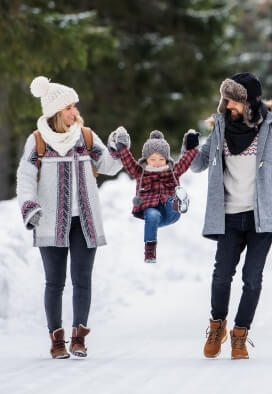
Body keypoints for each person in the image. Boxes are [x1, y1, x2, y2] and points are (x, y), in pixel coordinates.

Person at [190, 72, 272, 359]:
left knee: (252, 278)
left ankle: (240, 335)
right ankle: (217, 326)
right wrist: (188, 149)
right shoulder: (220, 128)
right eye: (226, 100)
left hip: (261, 217)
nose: (228, 106)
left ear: (249, 102)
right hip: (227, 215)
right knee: (221, 275)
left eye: (233, 101)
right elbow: (197, 164)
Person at [16, 76, 126, 359]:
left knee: (82, 280)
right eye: (69, 107)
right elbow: (25, 177)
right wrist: (29, 207)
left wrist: (119, 147)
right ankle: (56, 340)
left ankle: (79, 338)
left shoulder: (86, 137)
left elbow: (110, 166)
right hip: (49, 221)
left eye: (74, 106)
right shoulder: (38, 141)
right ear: (55, 111)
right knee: (54, 282)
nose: (74, 111)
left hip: (84, 222)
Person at [110, 127, 199, 262]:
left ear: (166, 159)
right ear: (146, 160)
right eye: (153, 159)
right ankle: (150, 252)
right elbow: (127, 161)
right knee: (152, 213)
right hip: (152, 214)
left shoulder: (172, 171)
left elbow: (186, 160)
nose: (157, 163)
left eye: (161, 159)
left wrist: (192, 145)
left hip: (171, 213)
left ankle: (180, 203)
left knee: (171, 200)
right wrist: (121, 146)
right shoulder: (140, 172)